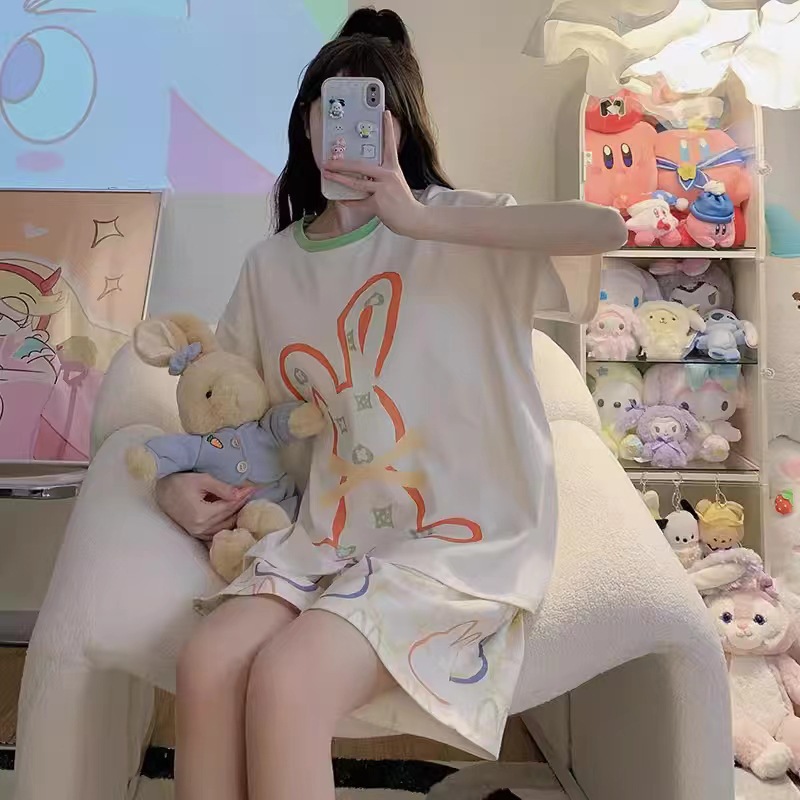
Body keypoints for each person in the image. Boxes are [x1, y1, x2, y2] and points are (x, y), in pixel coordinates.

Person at [156, 8, 627, 800]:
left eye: (372, 109)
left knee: (288, 682)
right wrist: (174, 485)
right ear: (307, 126)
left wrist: (420, 219)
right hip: (326, 539)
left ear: (399, 129)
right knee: (206, 663)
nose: (349, 128)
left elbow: (605, 227)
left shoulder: (459, 228)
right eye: (330, 106)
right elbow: (232, 413)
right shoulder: (271, 266)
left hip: (454, 544)